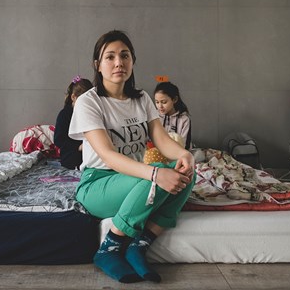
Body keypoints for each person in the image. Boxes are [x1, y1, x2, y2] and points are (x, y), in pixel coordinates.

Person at [69, 30, 195, 283]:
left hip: (135, 180)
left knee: (185, 172)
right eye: (110, 56)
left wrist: (184, 155)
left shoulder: (142, 99)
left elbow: (160, 139)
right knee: (157, 174)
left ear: (133, 61)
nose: (119, 63)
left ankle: (140, 245)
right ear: (98, 64)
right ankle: (109, 249)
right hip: (98, 184)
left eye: (125, 55)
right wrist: (157, 173)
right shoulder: (89, 102)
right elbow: (108, 155)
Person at [54, 76, 93, 169]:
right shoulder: (65, 114)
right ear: (73, 97)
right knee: (74, 158)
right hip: (72, 153)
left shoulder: (91, 113)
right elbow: (59, 140)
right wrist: (79, 147)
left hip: (90, 151)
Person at [154, 81, 192, 149]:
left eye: (164, 102)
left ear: (174, 99)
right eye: (157, 102)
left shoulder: (184, 120)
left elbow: (185, 145)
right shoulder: (154, 117)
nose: (160, 106)